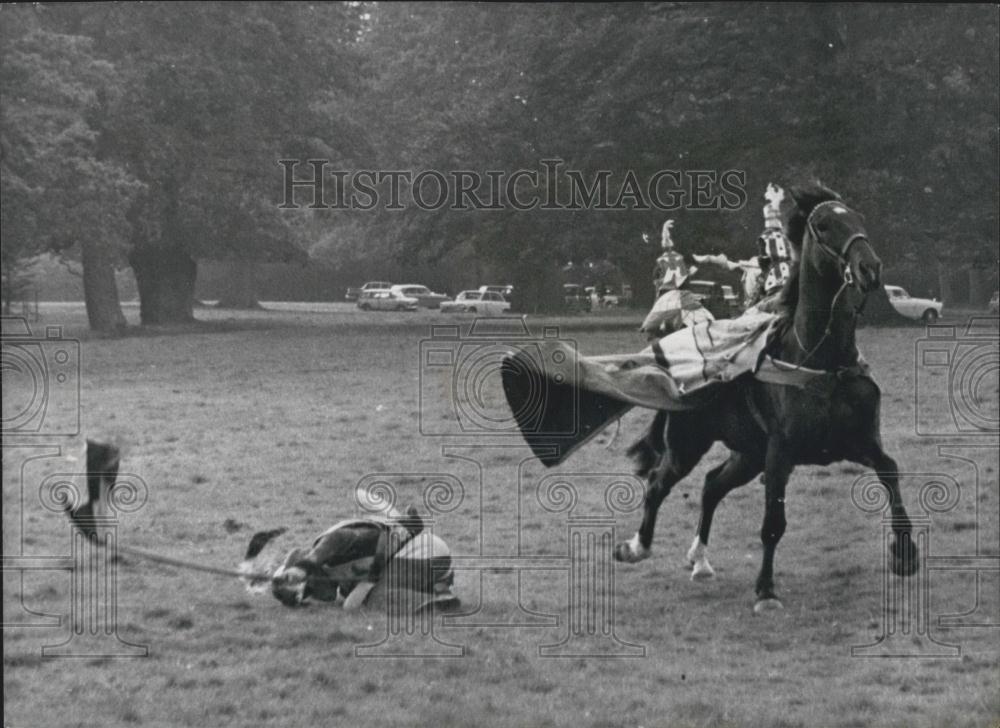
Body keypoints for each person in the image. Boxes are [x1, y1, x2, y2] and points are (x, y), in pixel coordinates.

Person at [243, 506, 460, 612]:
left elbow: (335, 541)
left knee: (376, 599)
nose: (318, 597)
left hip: (427, 554)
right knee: (368, 595)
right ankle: (438, 589)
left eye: (309, 592)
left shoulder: (331, 547)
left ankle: (437, 603)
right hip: (424, 559)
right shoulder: (340, 579)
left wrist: (300, 569)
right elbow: (350, 600)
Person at [640, 219, 711, 339]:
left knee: (660, 308)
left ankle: (656, 330)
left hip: (668, 291)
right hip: (680, 291)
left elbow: (658, 278)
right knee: (691, 309)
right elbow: (683, 276)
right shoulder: (679, 258)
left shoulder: (662, 260)